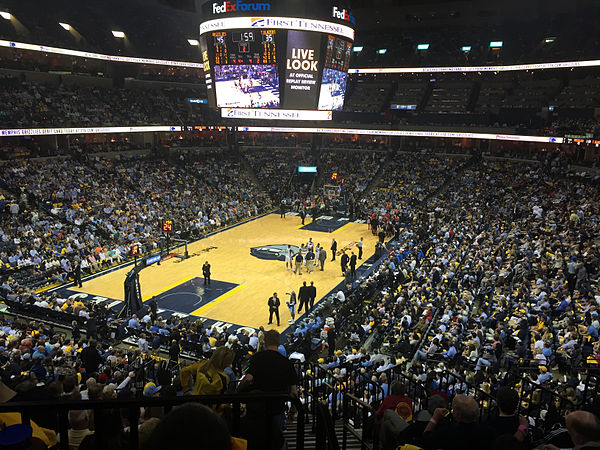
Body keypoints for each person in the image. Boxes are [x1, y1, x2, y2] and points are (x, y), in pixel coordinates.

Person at [237, 330, 298, 448]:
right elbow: (294, 391)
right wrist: (292, 411)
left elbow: (248, 379)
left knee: (256, 441)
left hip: (257, 409)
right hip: (278, 408)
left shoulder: (258, 357)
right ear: (279, 342)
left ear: (265, 342)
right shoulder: (287, 363)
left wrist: (237, 392)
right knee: (276, 440)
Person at [422, 394, 494, 450]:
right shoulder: (488, 432)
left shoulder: (449, 432)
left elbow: (426, 440)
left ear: (458, 415)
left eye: (453, 410)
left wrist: (434, 419)